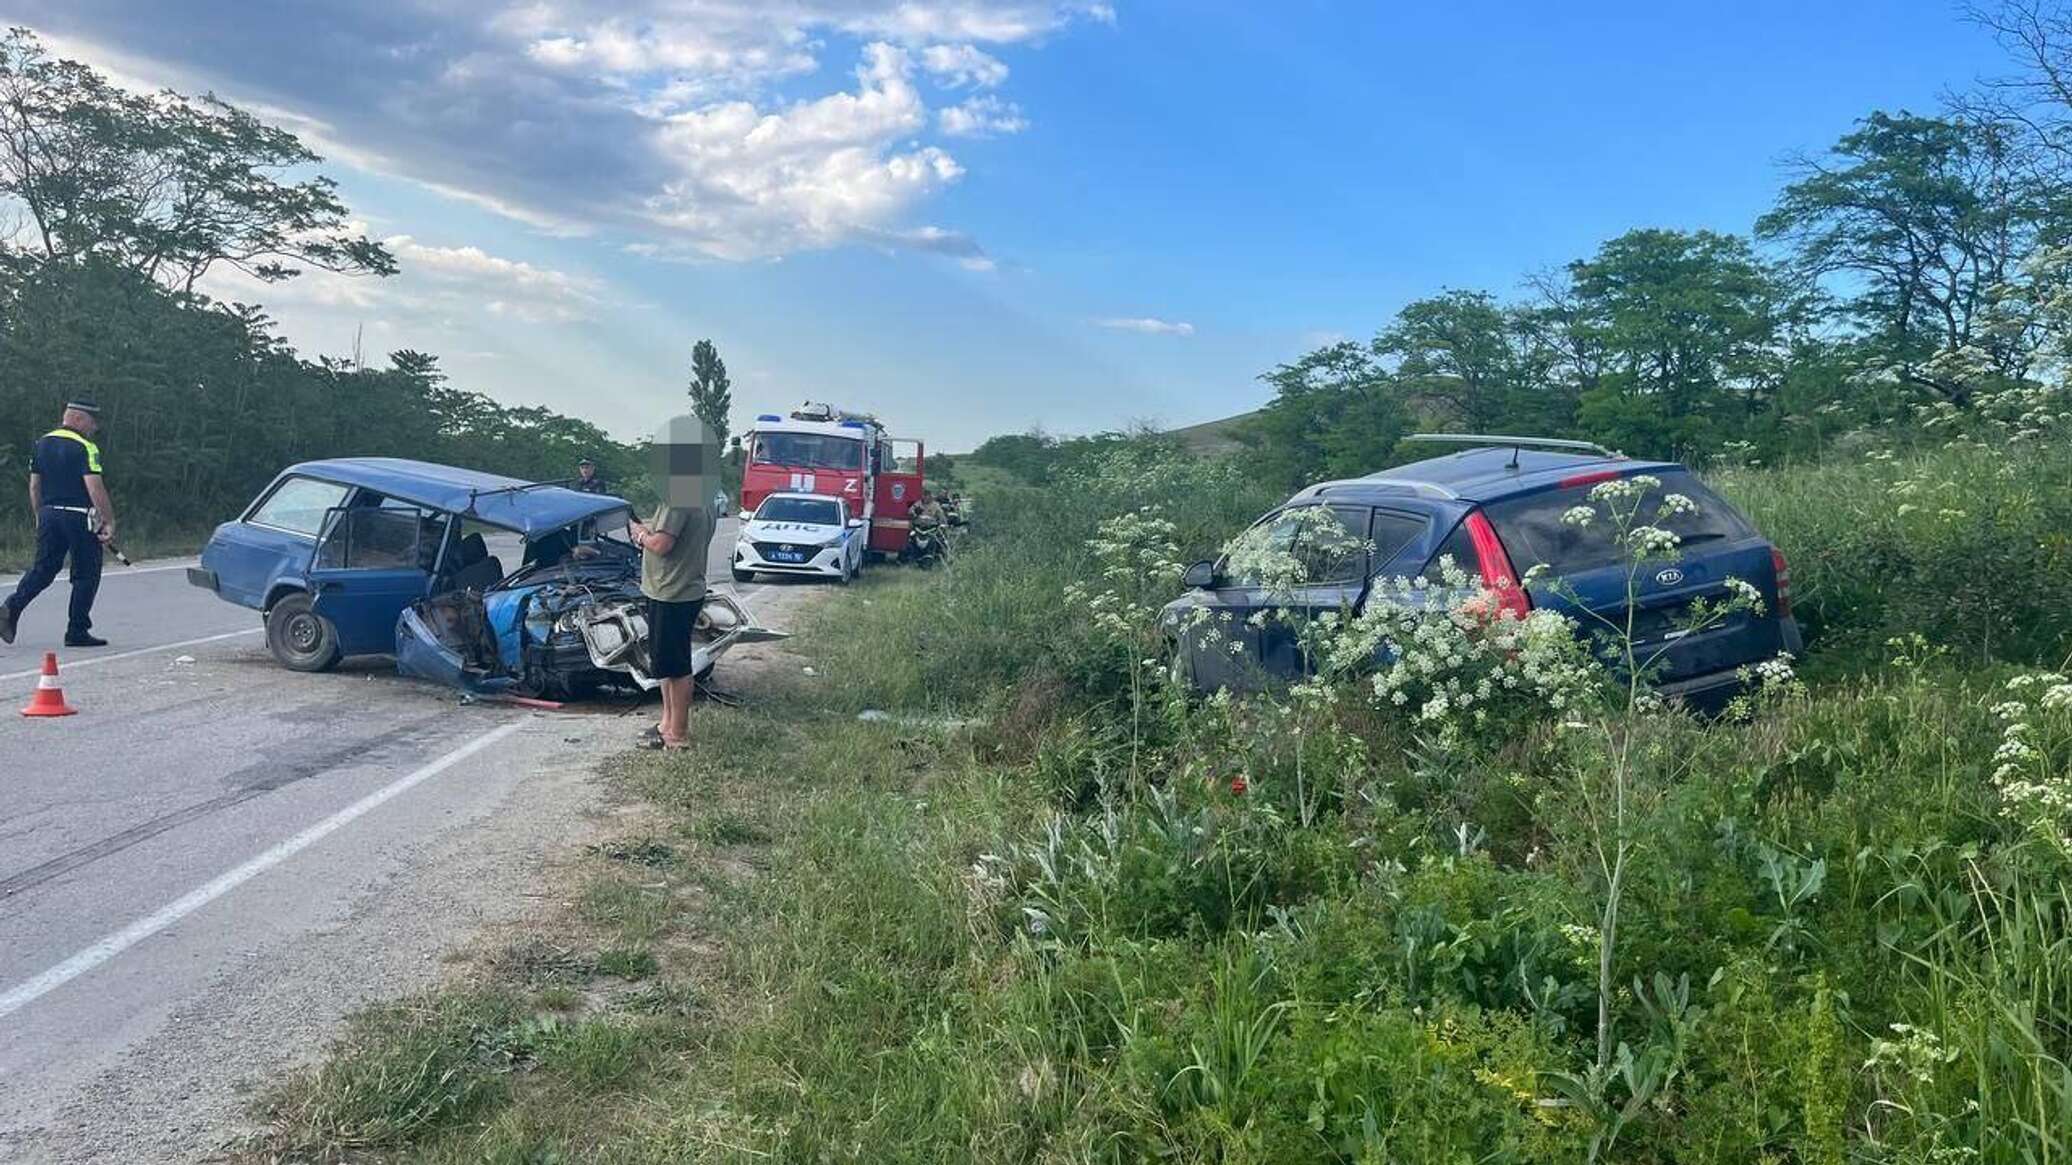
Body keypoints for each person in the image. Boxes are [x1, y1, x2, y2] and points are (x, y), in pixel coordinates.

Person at [628, 417, 719, 750]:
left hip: (671, 590)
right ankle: (667, 723)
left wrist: (640, 534)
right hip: (683, 588)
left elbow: (662, 544)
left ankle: (677, 734)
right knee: (666, 662)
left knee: (677, 666)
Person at [2, 399, 116, 648]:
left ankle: (11, 607)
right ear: (79, 419)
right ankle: (77, 630)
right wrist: (108, 521)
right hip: (79, 515)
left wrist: (39, 515)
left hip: (49, 513)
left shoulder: (41, 443)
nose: (94, 428)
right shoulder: (86, 447)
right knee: (86, 572)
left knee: (43, 569)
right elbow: (94, 487)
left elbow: (34, 485)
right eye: (93, 422)